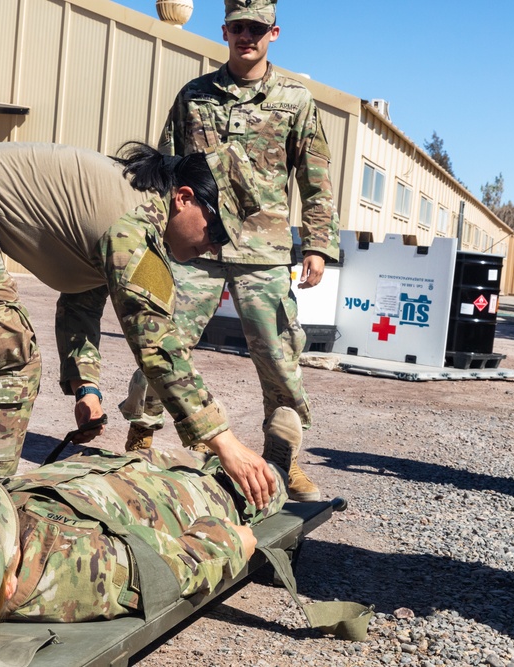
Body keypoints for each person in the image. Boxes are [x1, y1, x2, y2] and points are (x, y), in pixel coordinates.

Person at [0, 140, 278, 522]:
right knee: (10, 362)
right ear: (185, 198)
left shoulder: (132, 202)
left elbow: (81, 296)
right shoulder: (133, 227)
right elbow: (157, 343)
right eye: (216, 231)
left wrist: (85, 386)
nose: (214, 248)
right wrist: (223, 440)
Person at [118, 0, 340, 503]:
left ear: (274, 33)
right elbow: (164, 171)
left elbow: (317, 181)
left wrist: (318, 246)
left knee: (280, 358)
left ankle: (283, 461)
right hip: (196, 247)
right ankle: (141, 438)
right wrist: (156, 234)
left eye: (257, 28)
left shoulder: (295, 100)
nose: (247, 36)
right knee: (163, 341)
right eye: (239, 27)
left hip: (263, 251)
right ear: (225, 30)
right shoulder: (193, 96)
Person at [0, 406, 305, 642]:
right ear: (7, 586)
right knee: (251, 490)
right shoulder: (78, 573)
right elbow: (180, 566)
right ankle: (280, 469)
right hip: (170, 504)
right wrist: (234, 540)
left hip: (100, 477)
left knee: (172, 459)